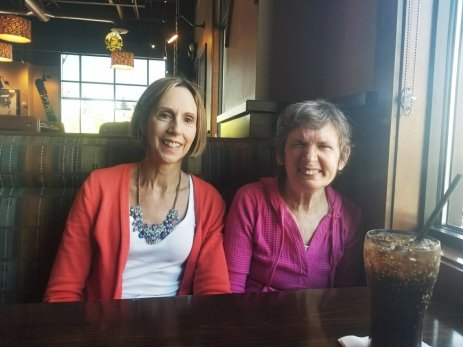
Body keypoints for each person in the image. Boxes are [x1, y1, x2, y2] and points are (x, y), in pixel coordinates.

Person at [44, 77, 230, 302]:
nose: (175, 129)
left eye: (188, 119)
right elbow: (63, 290)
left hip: (177, 329)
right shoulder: (98, 187)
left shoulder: (210, 200)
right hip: (105, 326)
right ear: (143, 121)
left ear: (196, 131)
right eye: (164, 115)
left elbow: (214, 293)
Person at [224, 99, 364, 293]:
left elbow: (344, 297)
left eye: (324, 146)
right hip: (256, 319)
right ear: (280, 154)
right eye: (299, 144)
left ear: (342, 158)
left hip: (320, 322)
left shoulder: (350, 218)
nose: (309, 157)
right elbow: (231, 290)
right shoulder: (251, 201)